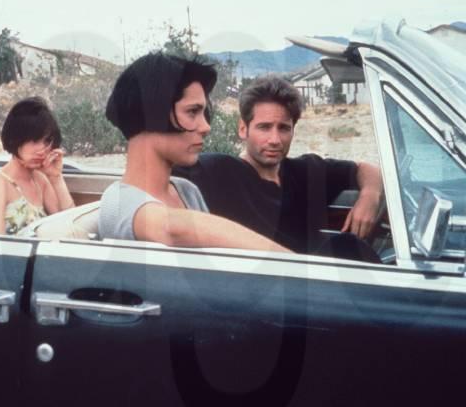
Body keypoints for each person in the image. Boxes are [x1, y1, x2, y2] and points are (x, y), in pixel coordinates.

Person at [173, 75, 384, 258]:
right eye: (264, 127)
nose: (274, 140)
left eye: (283, 128)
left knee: (349, 246)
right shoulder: (220, 172)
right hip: (256, 283)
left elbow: (364, 169)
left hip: (312, 282)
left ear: (293, 131)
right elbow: (162, 179)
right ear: (243, 129)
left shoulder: (305, 172)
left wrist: (370, 196)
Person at [98, 52, 290, 253]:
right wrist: (295, 263)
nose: (206, 127)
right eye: (192, 112)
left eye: (203, 113)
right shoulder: (118, 202)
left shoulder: (187, 190)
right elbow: (172, 229)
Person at [0, 97, 74, 235]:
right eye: (34, 140)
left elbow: (71, 226)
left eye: (46, 141)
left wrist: (56, 178)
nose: (41, 149)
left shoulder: (41, 181)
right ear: (15, 139)